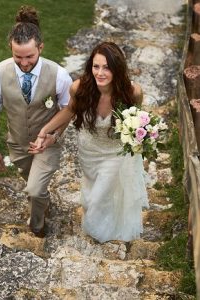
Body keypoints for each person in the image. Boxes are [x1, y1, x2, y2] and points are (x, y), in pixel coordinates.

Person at [30, 42, 149, 243]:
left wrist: (143, 135)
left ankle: (99, 237)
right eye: (96, 66)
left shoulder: (132, 92)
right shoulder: (79, 88)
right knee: (91, 195)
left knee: (98, 198)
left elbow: (139, 120)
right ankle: (107, 226)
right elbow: (69, 111)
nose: (100, 73)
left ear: (117, 69)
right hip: (89, 151)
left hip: (114, 152)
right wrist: (46, 131)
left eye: (106, 67)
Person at [0, 6, 72, 238]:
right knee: (36, 187)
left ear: (40, 47)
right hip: (18, 145)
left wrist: (54, 136)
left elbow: (68, 110)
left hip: (48, 143)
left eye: (30, 56)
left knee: (33, 189)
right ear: (10, 49)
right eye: (18, 57)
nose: (24, 63)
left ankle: (38, 227)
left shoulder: (59, 75)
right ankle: (43, 200)